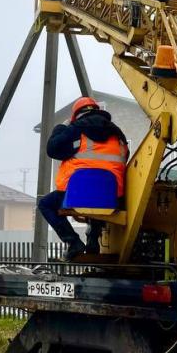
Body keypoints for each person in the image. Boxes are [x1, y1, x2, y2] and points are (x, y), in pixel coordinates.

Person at [38, 96, 129, 260]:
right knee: (98, 195)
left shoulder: (75, 130)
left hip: (77, 194)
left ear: (76, 115)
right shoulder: (118, 135)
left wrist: (60, 128)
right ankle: (93, 241)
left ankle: (73, 242)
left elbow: (52, 149)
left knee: (45, 204)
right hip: (112, 196)